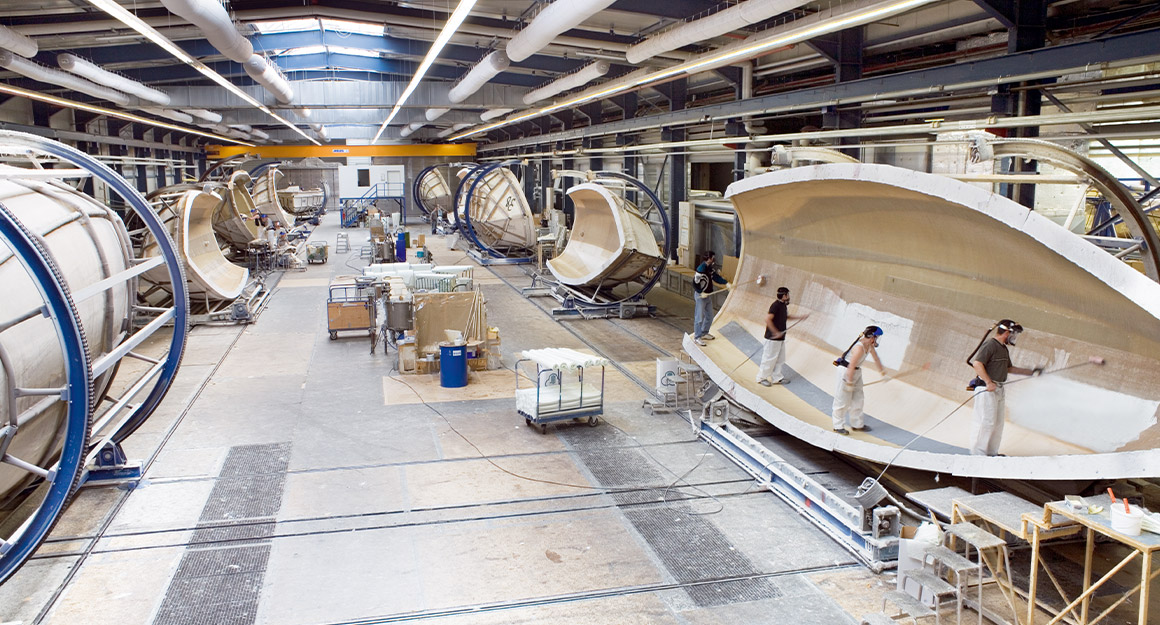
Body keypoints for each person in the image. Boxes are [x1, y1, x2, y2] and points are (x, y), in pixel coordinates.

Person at [969, 319, 1043, 456]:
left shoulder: (1003, 348)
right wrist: (988, 382)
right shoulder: (990, 345)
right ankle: (978, 456)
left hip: (998, 389)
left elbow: (1009, 368)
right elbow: (977, 364)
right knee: (986, 422)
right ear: (1007, 332)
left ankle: (991, 454)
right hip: (987, 389)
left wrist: (1031, 372)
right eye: (1014, 334)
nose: (1014, 338)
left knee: (997, 424)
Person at [832, 326, 886, 435]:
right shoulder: (859, 348)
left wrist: (882, 372)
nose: (877, 340)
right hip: (847, 371)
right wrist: (849, 382)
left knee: (858, 398)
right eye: (877, 337)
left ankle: (857, 424)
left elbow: (876, 358)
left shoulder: (869, 346)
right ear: (871, 336)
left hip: (856, 371)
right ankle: (837, 426)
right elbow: (851, 366)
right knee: (842, 399)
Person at [756, 286, 809, 386]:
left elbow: (786, 316)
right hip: (772, 339)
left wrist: (800, 317)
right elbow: (767, 319)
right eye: (788, 295)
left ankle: (777, 378)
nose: (789, 297)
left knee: (780, 359)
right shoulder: (775, 306)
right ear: (784, 296)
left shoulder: (783, 305)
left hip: (780, 338)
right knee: (769, 358)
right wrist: (775, 332)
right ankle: (761, 377)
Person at [692, 251, 729, 347]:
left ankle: (704, 333)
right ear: (708, 258)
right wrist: (700, 292)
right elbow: (694, 283)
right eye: (713, 257)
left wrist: (726, 283)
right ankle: (697, 337)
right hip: (701, 296)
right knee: (699, 318)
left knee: (709, 316)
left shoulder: (709, 268)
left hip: (708, 296)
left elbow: (715, 277)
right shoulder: (701, 269)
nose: (714, 259)